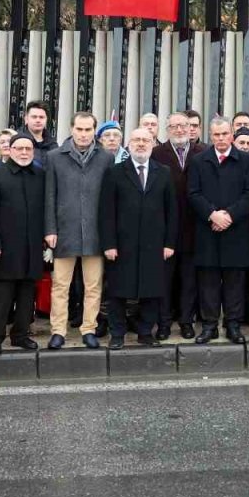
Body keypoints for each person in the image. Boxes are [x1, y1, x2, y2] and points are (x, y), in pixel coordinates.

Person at [101, 128, 179, 348]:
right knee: (117, 290)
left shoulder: (163, 172)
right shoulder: (115, 172)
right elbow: (106, 211)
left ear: (153, 143)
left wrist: (169, 243)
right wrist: (109, 244)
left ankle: (146, 332)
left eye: (146, 140)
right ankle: (117, 334)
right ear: (129, 143)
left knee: (151, 290)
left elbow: (172, 211)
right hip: (121, 244)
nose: (141, 144)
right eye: (136, 140)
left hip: (154, 244)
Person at [188, 117, 249, 344]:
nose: (220, 138)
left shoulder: (247, 161)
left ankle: (233, 325)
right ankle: (209, 326)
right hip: (207, 229)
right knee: (208, 282)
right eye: (216, 135)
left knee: (234, 282)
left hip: (235, 230)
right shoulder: (199, 161)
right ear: (211, 136)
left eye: (224, 134)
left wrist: (229, 215)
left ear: (232, 135)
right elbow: (193, 193)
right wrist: (212, 214)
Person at [45, 112, 113, 348]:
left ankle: (88, 328)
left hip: (95, 232)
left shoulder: (105, 158)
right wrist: (50, 228)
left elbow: (110, 199)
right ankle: (58, 331)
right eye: (79, 129)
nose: (84, 134)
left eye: (88, 130)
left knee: (93, 285)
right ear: (72, 129)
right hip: (64, 230)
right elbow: (49, 195)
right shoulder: (54, 157)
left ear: (94, 131)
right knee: (60, 285)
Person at [0, 134, 46, 355]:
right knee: (2, 295)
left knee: (28, 294)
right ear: (10, 150)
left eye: (29, 148)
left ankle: (20, 335)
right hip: (4, 246)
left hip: (33, 244)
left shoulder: (40, 174)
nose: (25, 152)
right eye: (20, 148)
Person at [153, 112, 207, 340]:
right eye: (174, 126)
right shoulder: (156, 153)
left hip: (195, 227)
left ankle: (186, 321)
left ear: (191, 128)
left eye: (183, 125)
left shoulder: (202, 153)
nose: (179, 130)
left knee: (189, 279)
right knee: (164, 280)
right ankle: (164, 323)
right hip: (164, 228)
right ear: (167, 130)